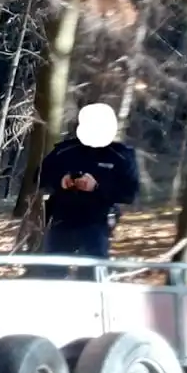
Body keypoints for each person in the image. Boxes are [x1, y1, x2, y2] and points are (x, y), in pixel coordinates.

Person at [39, 103, 139, 265]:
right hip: (62, 221)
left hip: (97, 223)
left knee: (93, 272)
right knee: (53, 271)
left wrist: (97, 187)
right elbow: (39, 177)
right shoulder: (64, 151)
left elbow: (129, 193)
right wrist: (61, 180)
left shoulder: (121, 156)